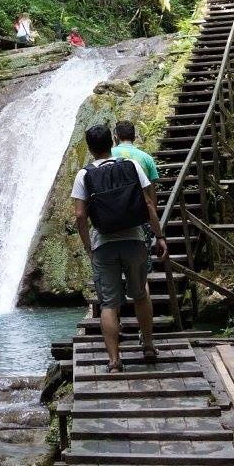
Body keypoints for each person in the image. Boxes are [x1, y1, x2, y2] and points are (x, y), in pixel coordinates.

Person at [71, 123, 168, 372]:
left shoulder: (84, 175)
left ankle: (114, 361)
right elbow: (148, 204)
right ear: (111, 144)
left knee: (109, 305)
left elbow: (80, 216)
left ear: (91, 148)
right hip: (134, 239)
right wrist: (159, 237)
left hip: (103, 244)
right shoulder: (131, 165)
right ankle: (147, 346)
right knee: (141, 294)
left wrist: (87, 247)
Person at [112, 119, 163, 348]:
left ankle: (116, 330)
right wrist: (157, 230)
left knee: (112, 281)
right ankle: (147, 339)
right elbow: (151, 197)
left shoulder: (106, 155)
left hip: (110, 226)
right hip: (139, 224)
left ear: (115, 136)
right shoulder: (145, 158)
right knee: (142, 282)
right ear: (135, 136)